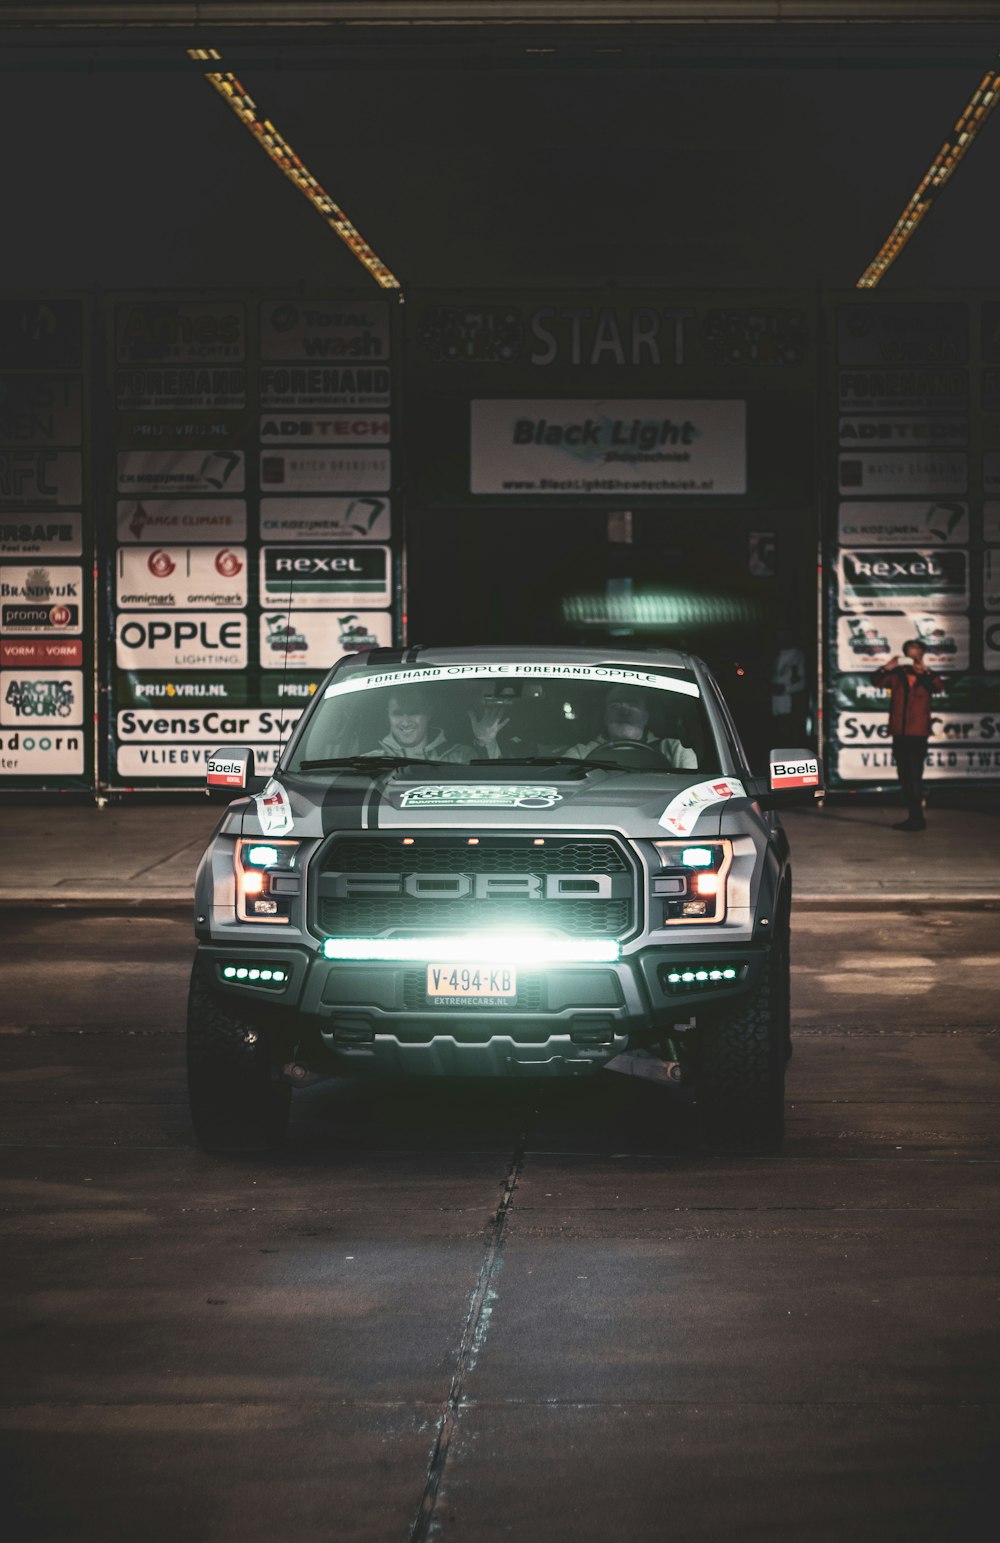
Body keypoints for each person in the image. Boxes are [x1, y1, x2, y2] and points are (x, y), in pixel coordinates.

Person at [872, 640, 944, 831]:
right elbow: (876, 681)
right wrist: (886, 667)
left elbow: (939, 687)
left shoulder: (929, 676)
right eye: (909, 654)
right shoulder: (897, 674)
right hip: (900, 731)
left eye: (916, 654)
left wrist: (925, 669)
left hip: (918, 732)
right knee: (904, 774)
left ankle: (917, 817)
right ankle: (913, 816)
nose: (913, 658)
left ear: (922, 655)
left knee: (914, 775)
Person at [563, 686, 697, 767]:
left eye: (633, 705)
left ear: (645, 717)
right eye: (615, 706)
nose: (624, 711)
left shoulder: (675, 751)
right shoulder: (580, 754)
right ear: (605, 717)